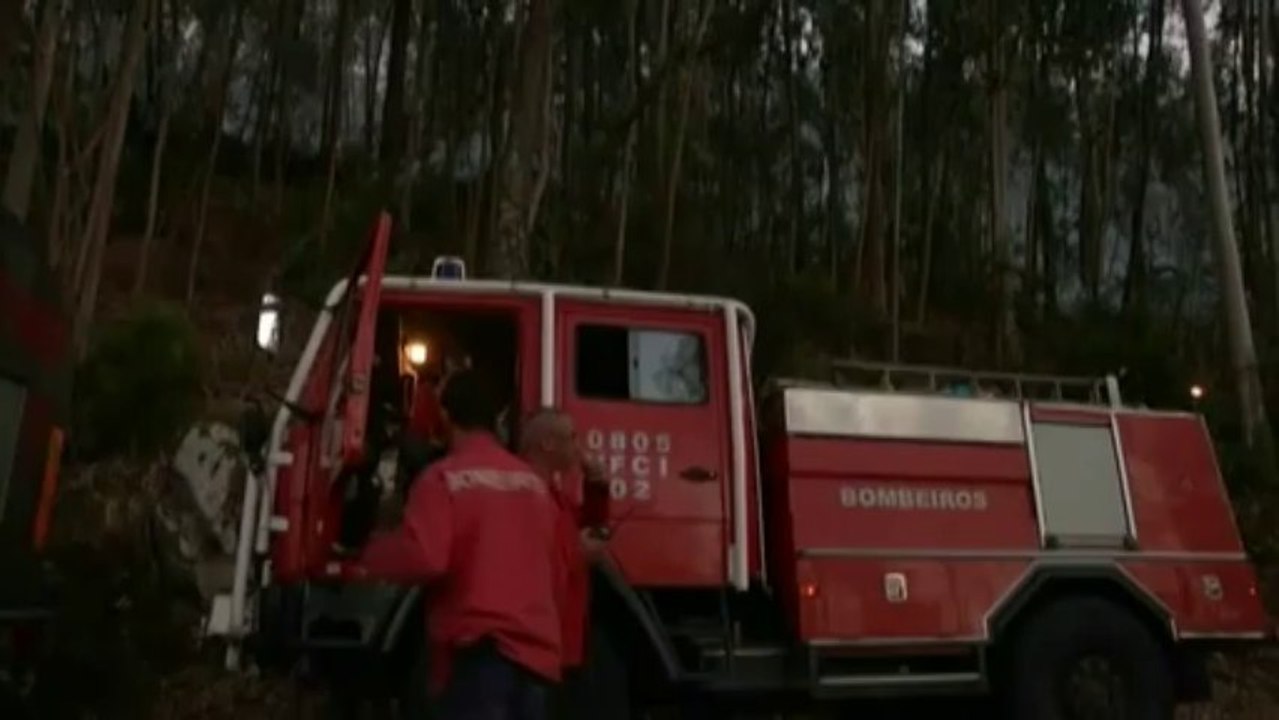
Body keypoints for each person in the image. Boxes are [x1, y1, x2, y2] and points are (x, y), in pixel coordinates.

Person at [356, 369, 563, 720]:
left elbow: (427, 557)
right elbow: (556, 565)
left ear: (447, 416)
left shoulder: (443, 479)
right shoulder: (534, 485)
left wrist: (371, 554)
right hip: (536, 659)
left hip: (479, 657)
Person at [517, 408, 611, 717]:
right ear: (547, 444)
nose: (578, 446)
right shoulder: (524, 495)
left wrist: (596, 484)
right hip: (537, 645)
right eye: (572, 437)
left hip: (559, 643)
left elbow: (583, 525)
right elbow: (532, 561)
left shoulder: (551, 493)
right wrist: (579, 554)